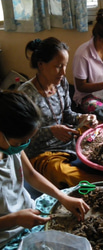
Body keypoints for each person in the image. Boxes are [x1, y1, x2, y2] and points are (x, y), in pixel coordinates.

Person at [18, 37, 103, 189]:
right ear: (41, 65)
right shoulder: (25, 94)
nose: (63, 72)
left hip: (67, 138)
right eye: (58, 66)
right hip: (42, 153)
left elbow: (67, 114)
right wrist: (50, 131)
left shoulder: (61, 83)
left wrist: (82, 117)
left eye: (65, 66)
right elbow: (20, 137)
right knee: (63, 173)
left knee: (102, 131)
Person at [0, 90, 90, 248]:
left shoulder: (9, 146)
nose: (24, 145)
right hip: (6, 234)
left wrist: (63, 197)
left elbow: (31, 175)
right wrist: (14, 219)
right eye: (21, 141)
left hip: (30, 211)